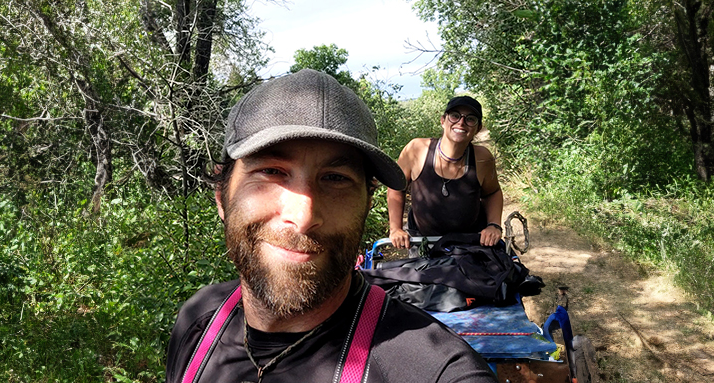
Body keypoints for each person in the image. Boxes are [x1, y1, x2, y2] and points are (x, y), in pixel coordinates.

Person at [165, 69, 496, 383]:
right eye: (270, 171)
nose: (304, 215)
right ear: (223, 195)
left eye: (335, 179)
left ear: (367, 203)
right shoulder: (198, 320)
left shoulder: (435, 370)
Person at [387, 96, 503, 249]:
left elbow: (492, 192)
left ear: (478, 128)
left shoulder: (482, 158)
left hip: (470, 243)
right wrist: (396, 229)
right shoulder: (416, 149)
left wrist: (494, 225)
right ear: (443, 121)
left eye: (470, 119)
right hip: (423, 242)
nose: (461, 122)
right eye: (454, 116)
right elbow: (396, 188)